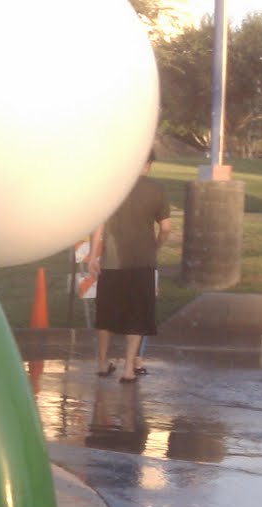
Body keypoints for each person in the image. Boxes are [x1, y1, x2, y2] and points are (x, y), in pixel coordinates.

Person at [92, 150, 172, 383]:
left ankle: (102, 363)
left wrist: (93, 257)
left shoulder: (110, 188)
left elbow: (99, 225)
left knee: (105, 316)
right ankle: (128, 369)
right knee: (137, 316)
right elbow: (166, 228)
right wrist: (155, 247)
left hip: (111, 263)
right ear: (147, 165)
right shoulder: (157, 189)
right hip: (142, 262)